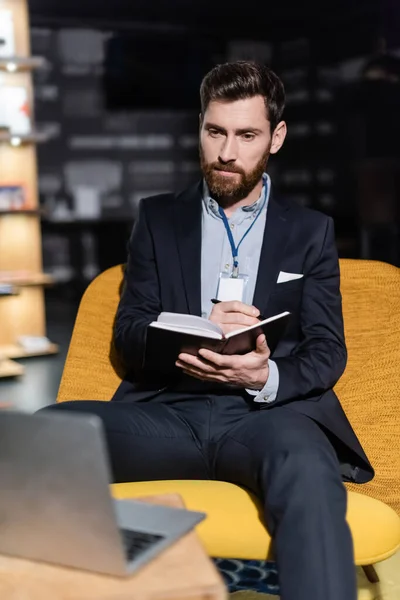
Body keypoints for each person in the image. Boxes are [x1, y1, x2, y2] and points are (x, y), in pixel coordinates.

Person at [46, 61, 373, 600]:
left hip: (266, 419)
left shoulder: (311, 233)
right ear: (200, 126)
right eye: (215, 131)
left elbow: (326, 350)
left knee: (309, 469)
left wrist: (263, 373)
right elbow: (129, 333)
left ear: (276, 137)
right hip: (169, 414)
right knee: (46, 436)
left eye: (247, 135)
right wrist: (185, 342)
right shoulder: (157, 220)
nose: (227, 152)